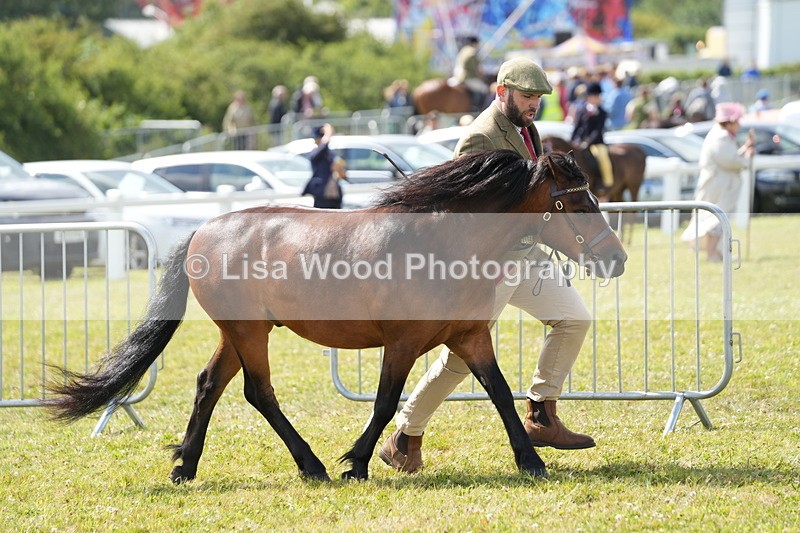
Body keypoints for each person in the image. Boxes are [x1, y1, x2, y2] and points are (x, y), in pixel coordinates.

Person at [379, 57, 596, 474]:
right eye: (528, 96)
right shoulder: (479, 138)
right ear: (502, 92)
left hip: (527, 257)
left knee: (574, 318)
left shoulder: (528, 130)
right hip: (489, 268)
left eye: (538, 97)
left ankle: (542, 415)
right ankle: (404, 437)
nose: (534, 104)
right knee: (461, 359)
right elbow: (465, 213)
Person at [681, 102, 754, 261]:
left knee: (717, 218)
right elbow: (729, 160)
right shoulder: (720, 137)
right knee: (716, 219)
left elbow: (730, 156)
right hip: (718, 186)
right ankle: (712, 253)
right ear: (729, 121)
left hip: (719, 184)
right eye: (737, 121)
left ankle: (717, 252)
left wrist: (745, 149)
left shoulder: (722, 135)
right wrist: (747, 158)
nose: (739, 124)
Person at [571, 82, 613, 190]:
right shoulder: (581, 110)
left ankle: (604, 183)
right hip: (580, 142)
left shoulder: (602, 112)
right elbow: (577, 127)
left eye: (599, 96)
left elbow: (598, 131)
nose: (598, 98)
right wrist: (573, 141)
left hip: (596, 143)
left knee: (602, 157)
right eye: (596, 96)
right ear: (589, 97)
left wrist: (587, 143)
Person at [301, 124, 342, 209]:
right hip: (321, 194)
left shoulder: (329, 154)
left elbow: (337, 165)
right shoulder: (314, 153)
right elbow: (323, 147)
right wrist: (327, 135)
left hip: (333, 194)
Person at [452, 36, 488, 112]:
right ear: (474, 43)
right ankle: (475, 108)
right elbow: (475, 68)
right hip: (468, 77)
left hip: (457, 75)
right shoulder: (472, 52)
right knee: (484, 89)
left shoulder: (463, 50)